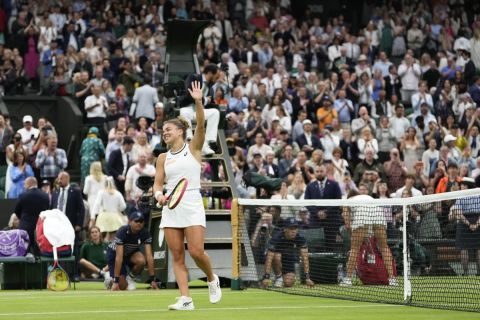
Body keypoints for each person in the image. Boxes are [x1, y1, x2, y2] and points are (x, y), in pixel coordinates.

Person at [153, 81, 221, 310]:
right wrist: (159, 196)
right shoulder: (162, 158)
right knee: (177, 255)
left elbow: (201, 125)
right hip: (171, 207)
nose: (165, 134)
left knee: (196, 251)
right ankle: (186, 299)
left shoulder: (194, 148)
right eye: (163, 132)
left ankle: (212, 278)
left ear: (180, 131)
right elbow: (157, 184)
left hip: (191, 202)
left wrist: (199, 101)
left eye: (168, 130)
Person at [340, 190, 397, 286]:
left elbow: (347, 224)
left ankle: (348, 279)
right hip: (377, 211)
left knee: (354, 249)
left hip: (362, 213)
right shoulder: (366, 197)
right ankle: (392, 279)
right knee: (384, 247)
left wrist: (354, 236)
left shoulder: (347, 201)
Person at [106, 211, 158, 291]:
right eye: (136, 221)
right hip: (114, 254)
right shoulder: (122, 231)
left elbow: (149, 256)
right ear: (129, 222)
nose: (139, 223)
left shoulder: (145, 233)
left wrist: (152, 280)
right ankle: (110, 279)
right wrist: (116, 281)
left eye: (141, 221)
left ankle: (130, 279)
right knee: (122, 287)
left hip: (130, 252)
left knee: (141, 261)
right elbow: (119, 257)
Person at [178, 64, 221, 156]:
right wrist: (205, 100)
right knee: (183, 112)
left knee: (215, 112)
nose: (217, 79)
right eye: (216, 77)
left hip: (200, 111)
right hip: (188, 108)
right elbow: (190, 95)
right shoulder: (193, 77)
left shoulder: (211, 86)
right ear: (209, 73)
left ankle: (208, 143)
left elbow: (210, 101)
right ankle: (189, 139)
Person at [261, 217, 314, 288]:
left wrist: (307, 277)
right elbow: (269, 258)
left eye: (295, 228)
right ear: (285, 229)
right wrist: (266, 277)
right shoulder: (276, 238)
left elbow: (305, 258)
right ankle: (278, 277)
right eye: (291, 228)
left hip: (289, 260)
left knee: (288, 283)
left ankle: (286, 278)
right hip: (277, 258)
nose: (293, 231)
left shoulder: (300, 238)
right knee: (276, 256)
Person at [449, 177, 480, 276]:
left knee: (464, 248)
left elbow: (458, 211)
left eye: (462, 184)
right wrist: (475, 224)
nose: (461, 186)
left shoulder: (461, 196)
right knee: (478, 248)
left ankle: (465, 273)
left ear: (467, 185)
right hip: (476, 222)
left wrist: (468, 223)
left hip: (464, 223)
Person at [14, 177, 50, 253]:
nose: (24, 186)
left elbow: (17, 211)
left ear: (29, 184)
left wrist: (23, 219)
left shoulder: (23, 195)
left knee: (24, 251)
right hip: (41, 228)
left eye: (25, 184)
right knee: (40, 252)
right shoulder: (45, 196)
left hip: (25, 228)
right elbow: (48, 211)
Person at [92, 177, 127, 242]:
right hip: (115, 216)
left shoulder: (101, 192)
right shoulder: (117, 193)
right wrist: (117, 209)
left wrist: (94, 215)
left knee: (102, 235)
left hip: (103, 216)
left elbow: (97, 204)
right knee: (113, 236)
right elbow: (123, 206)